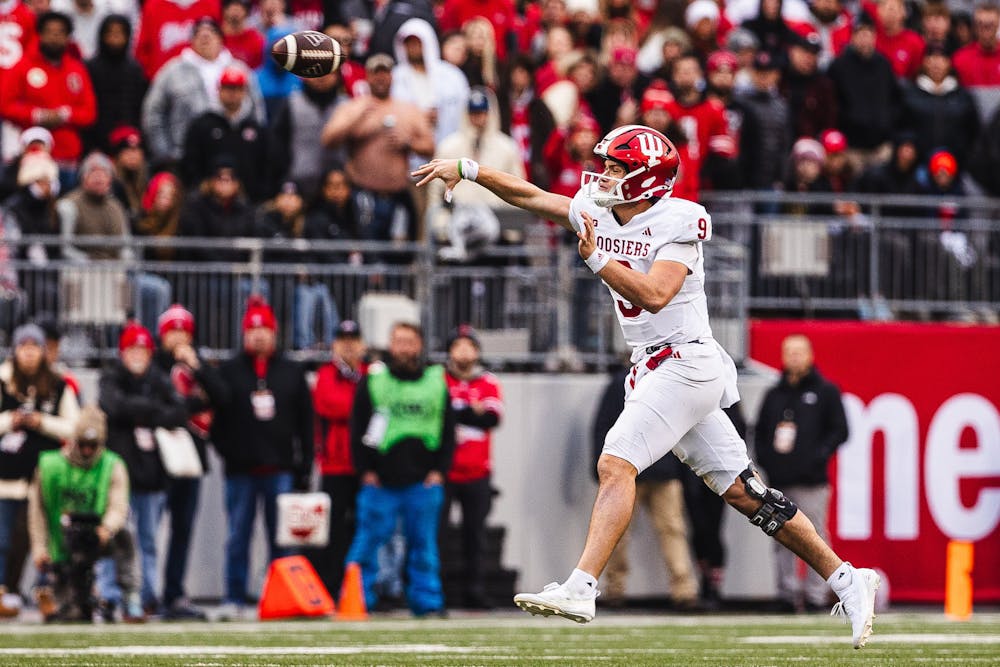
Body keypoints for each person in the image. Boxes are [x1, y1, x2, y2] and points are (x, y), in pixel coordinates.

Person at [413, 124, 881, 649]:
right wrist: (471, 170)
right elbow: (534, 196)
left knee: (616, 463)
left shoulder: (679, 219)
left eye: (616, 167)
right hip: (656, 365)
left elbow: (657, 294)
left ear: (645, 179)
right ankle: (847, 579)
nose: (604, 175)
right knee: (747, 495)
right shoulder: (598, 205)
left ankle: (582, 586)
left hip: (686, 361)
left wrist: (596, 259)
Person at [210, 297, 314, 620]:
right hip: (241, 471)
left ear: (274, 333)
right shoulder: (228, 371)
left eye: (264, 330)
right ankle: (234, 597)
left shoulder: (291, 372)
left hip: (280, 470)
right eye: (252, 330)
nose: (258, 336)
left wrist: (304, 468)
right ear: (244, 334)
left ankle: (282, 596)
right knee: (237, 537)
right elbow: (217, 421)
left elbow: (306, 425)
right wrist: (230, 454)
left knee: (282, 541)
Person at [345, 322, 456, 617]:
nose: (404, 348)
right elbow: (357, 426)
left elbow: (447, 428)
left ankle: (427, 603)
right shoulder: (374, 380)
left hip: (423, 481)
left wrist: (440, 470)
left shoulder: (436, 380)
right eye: (399, 341)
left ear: (419, 345)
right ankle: (356, 601)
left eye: (410, 342)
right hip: (380, 482)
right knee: (367, 544)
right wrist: (364, 471)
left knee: (424, 549)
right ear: (390, 345)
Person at [591, 356, 698, 610]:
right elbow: (603, 426)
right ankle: (616, 589)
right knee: (619, 532)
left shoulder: (660, 382)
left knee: (669, 529)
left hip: (656, 471)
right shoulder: (623, 383)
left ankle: (683, 590)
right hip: (633, 471)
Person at [98, 321, 187, 618]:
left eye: (142, 350)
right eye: (131, 349)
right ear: (122, 353)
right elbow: (114, 406)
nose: (137, 355)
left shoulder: (159, 379)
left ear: (150, 353)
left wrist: (140, 410)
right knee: (113, 538)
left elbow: (178, 411)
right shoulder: (111, 378)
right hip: (118, 478)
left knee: (147, 541)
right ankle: (110, 597)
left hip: (151, 477)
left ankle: (147, 596)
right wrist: (151, 410)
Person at [754, 334, 849, 612]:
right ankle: (786, 593)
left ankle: (816, 595)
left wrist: (817, 457)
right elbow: (760, 433)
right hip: (779, 482)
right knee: (781, 535)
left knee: (815, 536)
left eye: (799, 352)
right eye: (789, 352)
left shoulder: (825, 392)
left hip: (811, 481)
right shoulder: (774, 394)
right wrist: (767, 462)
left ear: (810, 355)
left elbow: (840, 430)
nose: (794, 357)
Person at [27, 405, 143, 622]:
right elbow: (37, 513)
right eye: (83, 444)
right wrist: (39, 549)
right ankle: (61, 593)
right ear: (73, 440)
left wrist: (106, 529)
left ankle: (131, 596)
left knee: (126, 531)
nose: (87, 451)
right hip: (62, 539)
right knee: (71, 613)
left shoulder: (113, 464)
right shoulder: (49, 465)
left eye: (93, 445)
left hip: (98, 534)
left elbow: (119, 506)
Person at [0, 323, 80, 617]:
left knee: (45, 539)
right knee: (3, 539)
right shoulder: (3, 381)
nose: (30, 354)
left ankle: (47, 591)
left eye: (35, 348)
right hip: (6, 478)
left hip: (45, 478)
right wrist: (12, 420)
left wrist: (41, 422)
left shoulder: (59, 385)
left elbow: (75, 427)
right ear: (16, 350)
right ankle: (3, 592)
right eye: (24, 348)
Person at [153, 304, 225, 620]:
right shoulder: (154, 364)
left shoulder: (199, 364)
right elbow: (162, 407)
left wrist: (197, 367)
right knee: (148, 530)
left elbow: (224, 396)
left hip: (192, 458)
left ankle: (174, 594)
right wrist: (194, 403)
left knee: (182, 530)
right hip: (156, 459)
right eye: (173, 330)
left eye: (184, 330)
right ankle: (142, 594)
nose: (179, 337)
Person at [321, 53, 435, 244]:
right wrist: (358, 119)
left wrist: (407, 143)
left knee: (401, 254)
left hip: (398, 195)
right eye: (376, 73)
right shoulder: (354, 107)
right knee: (367, 251)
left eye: (385, 73)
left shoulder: (408, 109)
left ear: (392, 76)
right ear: (367, 76)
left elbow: (430, 147)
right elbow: (328, 140)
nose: (381, 78)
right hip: (362, 194)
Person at [442, 325, 503, 609]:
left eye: (469, 346)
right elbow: (440, 417)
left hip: (477, 472)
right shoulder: (438, 379)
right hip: (445, 471)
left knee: (475, 536)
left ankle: (475, 591)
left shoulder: (488, 381)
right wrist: (470, 411)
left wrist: (458, 412)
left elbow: (491, 418)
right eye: (458, 345)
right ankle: (437, 592)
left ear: (477, 352)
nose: (464, 351)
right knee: (437, 534)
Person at [0, 11, 97, 190]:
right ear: (40, 35)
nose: (55, 37)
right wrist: (36, 115)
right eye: (50, 32)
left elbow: (89, 113)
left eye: (60, 33)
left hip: (68, 156)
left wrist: (66, 115)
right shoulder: (23, 66)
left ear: (68, 37)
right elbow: (5, 105)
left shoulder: (76, 69)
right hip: (33, 157)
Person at [307, 319, 366, 597]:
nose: (349, 345)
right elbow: (331, 404)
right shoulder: (327, 374)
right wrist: (361, 407)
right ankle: (330, 585)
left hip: (365, 465)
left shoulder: (370, 374)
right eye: (343, 339)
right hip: (334, 464)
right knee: (332, 530)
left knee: (363, 526)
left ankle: (360, 587)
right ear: (334, 344)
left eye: (353, 339)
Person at [181, 66, 270, 202]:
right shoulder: (202, 125)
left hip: (248, 202)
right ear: (219, 90)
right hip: (208, 202)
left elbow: (266, 164)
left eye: (237, 88)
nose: (232, 93)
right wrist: (200, 187)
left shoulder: (255, 128)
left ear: (244, 92)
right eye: (228, 88)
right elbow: (191, 162)